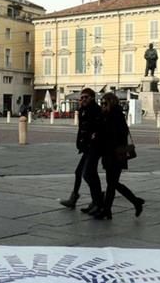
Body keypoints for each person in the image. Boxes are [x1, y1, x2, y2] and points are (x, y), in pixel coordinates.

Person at [89, 92, 144, 220]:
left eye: (104, 103)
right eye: (101, 103)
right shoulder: (106, 115)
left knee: (112, 184)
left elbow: (116, 134)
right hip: (109, 154)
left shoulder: (116, 115)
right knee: (112, 183)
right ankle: (134, 202)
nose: (102, 105)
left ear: (111, 102)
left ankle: (108, 210)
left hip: (116, 154)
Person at [60, 88, 103, 211]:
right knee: (80, 173)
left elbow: (97, 129)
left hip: (94, 147)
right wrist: (80, 144)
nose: (83, 99)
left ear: (92, 98)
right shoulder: (83, 110)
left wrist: (93, 139)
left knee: (88, 174)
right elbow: (82, 130)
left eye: (86, 97)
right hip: (87, 148)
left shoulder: (95, 110)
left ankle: (97, 200)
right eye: (81, 97)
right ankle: (76, 198)